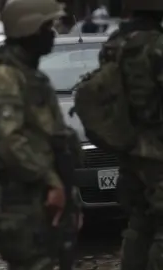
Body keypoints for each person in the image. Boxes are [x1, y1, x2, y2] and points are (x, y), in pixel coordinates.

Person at [0, 0, 82, 269]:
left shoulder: (32, 75)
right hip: (26, 203)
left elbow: (53, 139)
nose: (53, 33)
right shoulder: (5, 78)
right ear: (29, 29)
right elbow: (10, 141)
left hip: (48, 200)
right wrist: (51, 182)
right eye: (47, 26)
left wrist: (70, 198)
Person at [92, 1, 163, 269]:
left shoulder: (114, 44)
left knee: (139, 223)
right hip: (157, 150)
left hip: (129, 150)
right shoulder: (157, 45)